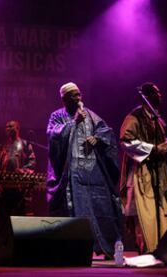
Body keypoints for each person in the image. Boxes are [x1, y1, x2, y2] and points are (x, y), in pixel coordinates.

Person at [46, 82, 123, 258]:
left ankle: (107, 248)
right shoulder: (57, 116)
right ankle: (77, 250)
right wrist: (73, 123)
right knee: (75, 211)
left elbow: (108, 132)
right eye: (74, 96)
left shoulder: (92, 116)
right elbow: (53, 136)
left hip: (94, 172)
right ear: (64, 99)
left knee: (103, 208)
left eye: (80, 95)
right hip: (71, 173)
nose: (79, 99)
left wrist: (97, 138)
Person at [120, 82, 167, 253]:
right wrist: (153, 149)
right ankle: (148, 249)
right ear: (146, 95)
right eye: (155, 92)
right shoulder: (134, 117)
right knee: (144, 213)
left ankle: (165, 249)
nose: (159, 96)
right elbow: (126, 141)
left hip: (159, 174)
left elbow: (160, 145)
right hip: (142, 173)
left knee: (160, 211)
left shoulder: (156, 118)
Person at [0, 120, 36, 249]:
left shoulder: (26, 144)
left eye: (10, 126)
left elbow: (32, 162)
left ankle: (20, 245)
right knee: (1, 216)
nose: (7, 128)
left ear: (17, 128)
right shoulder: (2, 146)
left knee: (19, 215)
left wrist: (23, 171)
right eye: (6, 126)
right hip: (4, 188)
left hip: (19, 187)